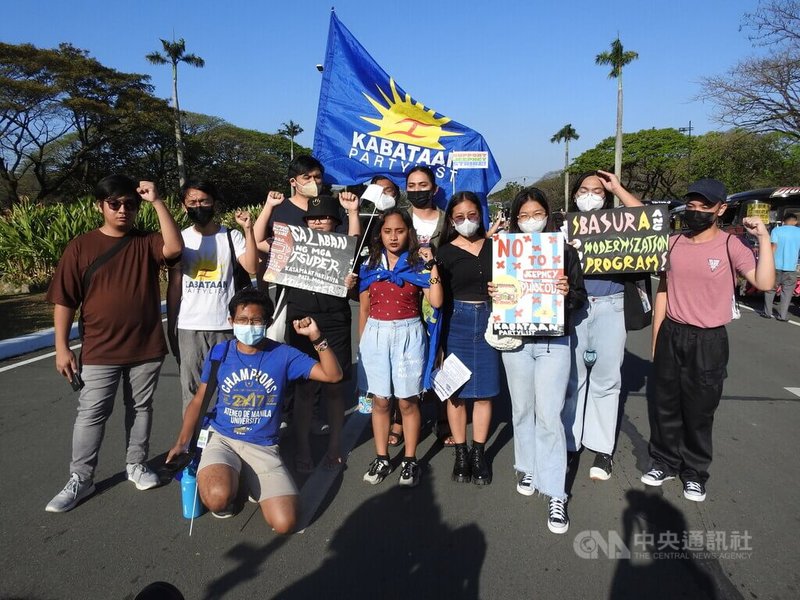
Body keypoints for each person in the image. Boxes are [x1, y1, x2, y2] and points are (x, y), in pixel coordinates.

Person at [45, 175, 183, 513]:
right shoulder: (81, 246)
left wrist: (157, 201)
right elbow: (64, 300)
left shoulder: (146, 241)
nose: (123, 210)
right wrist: (61, 347)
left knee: (140, 408)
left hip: (145, 345)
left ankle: (136, 464)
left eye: (130, 204)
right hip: (100, 348)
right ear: (100, 206)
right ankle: (81, 477)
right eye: (115, 203)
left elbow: (175, 248)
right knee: (92, 413)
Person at [166, 289, 342, 532]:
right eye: (242, 320)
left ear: (268, 323)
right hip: (223, 438)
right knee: (218, 498)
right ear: (231, 321)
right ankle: (232, 477)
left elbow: (333, 375)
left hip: (263, 445)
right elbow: (199, 400)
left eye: (256, 321)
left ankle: (246, 478)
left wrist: (316, 337)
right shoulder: (221, 352)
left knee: (285, 523)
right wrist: (182, 443)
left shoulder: (284, 354)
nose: (249, 326)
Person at [642, 178, 774, 502]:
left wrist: (763, 236)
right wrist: (656, 336)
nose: (696, 211)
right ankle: (664, 461)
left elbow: (765, 281)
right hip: (673, 331)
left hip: (709, 340)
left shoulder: (731, 246)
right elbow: (663, 291)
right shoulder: (672, 242)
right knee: (665, 405)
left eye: (705, 206)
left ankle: (695, 473)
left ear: (721, 209)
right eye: (692, 205)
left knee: (700, 411)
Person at [490, 188, 586, 534]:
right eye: (524, 216)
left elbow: (579, 297)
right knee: (521, 409)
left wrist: (565, 294)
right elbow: (500, 295)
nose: (531, 221)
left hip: (554, 343)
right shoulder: (505, 253)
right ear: (516, 219)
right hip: (516, 342)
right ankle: (527, 465)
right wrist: (495, 294)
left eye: (537, 214)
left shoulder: (564, 252)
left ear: (548, 215)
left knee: (549, 415)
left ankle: (556, 491)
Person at [561, 170, 643, 482]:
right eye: (584, 190)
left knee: (607, 381)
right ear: (574, 195)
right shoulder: (564, 225)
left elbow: (649, 223)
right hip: (576, 308)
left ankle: (602, 447)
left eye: (597, 191)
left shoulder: (619, 223)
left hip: (613, 307)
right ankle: (570, 444)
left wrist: (619, 188)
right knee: (572, 379)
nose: (590, 195)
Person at [358, 208, 443, 487]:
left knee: (408, 401)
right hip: (376, 335)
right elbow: (365, 309)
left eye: (399, 231)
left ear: (409, 233)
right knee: (381, 400)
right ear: (379, 234)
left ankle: (409, 459)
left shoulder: (419, 265)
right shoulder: (369, 266)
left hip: (410, 334)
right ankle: (382, 456)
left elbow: (437, 301)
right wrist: (362, 345)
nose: (393, 237)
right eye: (387, 231)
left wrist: (433, 267)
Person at [279, 193, 360, 473]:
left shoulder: (344, 248)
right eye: (313, 217)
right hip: (300, 321)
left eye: (325, 217)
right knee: (304, 389)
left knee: (335, 389)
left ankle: (336, 445)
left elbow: (353, 243)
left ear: (335, 221)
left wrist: (353, 212)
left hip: (335, 322)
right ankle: (302, 448)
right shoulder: (293, 243)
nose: (318, 222)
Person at [167, 179, 258, 413]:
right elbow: (175, 283)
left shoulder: (231, 237)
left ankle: (222, 440)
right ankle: (192, 441)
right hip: (189, 326)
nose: (199, 206)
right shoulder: (181, 239)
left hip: (224, 325)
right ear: (183, 207)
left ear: (214, 204)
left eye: (204, 201)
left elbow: (251, 267)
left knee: (229, 386)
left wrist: (248, 229)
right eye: (193, 202)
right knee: (192, 389)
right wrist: (173, 321)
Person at [436, 192, 500, 486]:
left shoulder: (496, 246)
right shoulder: (444, 252)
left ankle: (478, 453)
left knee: (485, 392)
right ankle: (460, 453)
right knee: (456, 392)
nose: (466, 221)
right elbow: (437, 299)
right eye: (459, 217)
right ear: (451, 219)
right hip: (456, 323)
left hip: (490, 321)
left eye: (472, 215)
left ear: (480, 214)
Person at [762, 212, 800, 321]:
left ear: (784, 221)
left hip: (775, 266)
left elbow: (773, 247)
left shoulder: (776, 231)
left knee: (770, 289)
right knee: (787, 292)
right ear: (795, 221)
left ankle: (767, 312)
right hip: (791, 267)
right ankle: (783, 316)